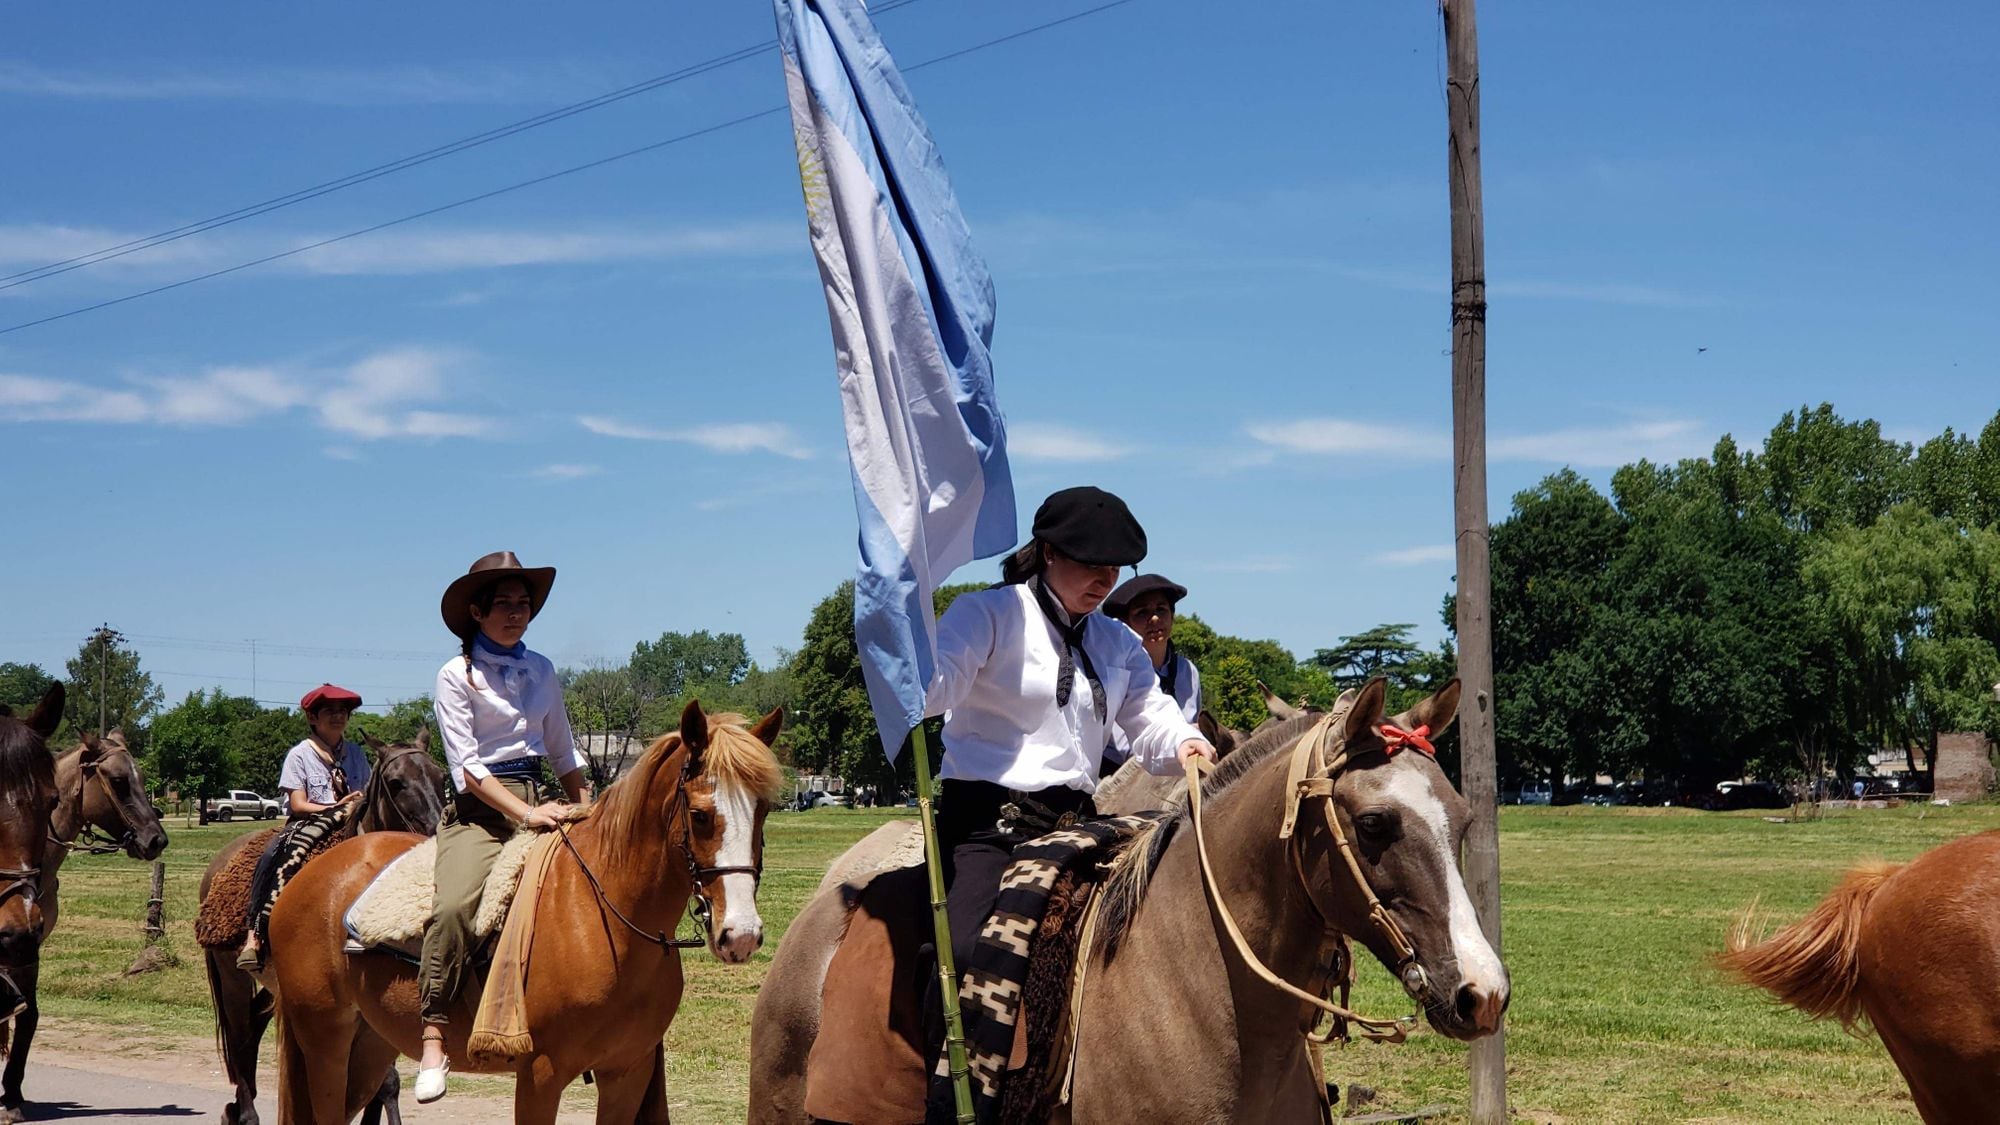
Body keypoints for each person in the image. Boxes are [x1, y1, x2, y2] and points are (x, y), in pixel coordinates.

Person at [923, 486, 1214, 1122]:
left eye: (1114, 568)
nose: (1104, 579)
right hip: (987, 827)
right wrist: (907, 659)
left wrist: (1188, 744)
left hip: (1079, 825)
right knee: (969, 953)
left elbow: (1149, 715)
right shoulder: (987, 615)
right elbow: (934, 688)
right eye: (1090, 564)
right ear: (1048, 552)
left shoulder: (1115, 641)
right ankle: (941, 1093)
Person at [414, 551, 587, 1103]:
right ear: (477, 611)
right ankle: (435, 1032)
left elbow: (562, 751)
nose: (517, 613)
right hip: (481, 814)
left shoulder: (542, 670)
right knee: (454, 906)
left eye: (524, 604)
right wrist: (526, 815)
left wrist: (587, 807)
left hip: (542, 799)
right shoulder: (453, 675)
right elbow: (467, 769)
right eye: (505, 604)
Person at [236, 683, 371, 973]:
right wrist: (335, 808)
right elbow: (298, 804)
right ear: (312, 718)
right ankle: (255, 934)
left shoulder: (357, 753)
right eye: (329, 711)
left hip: (354, 821)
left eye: (343, 711)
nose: (338, 716)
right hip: (309, 822)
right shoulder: (300, 755)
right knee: (273, 855)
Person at [1101, 573, 1199, 771]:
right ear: (1124, 623)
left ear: (1172, 616)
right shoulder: (1114, 672)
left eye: (1161, 610)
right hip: (1115, 777)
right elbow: (1126, 748)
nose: (1154, 619)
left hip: (1177, 772)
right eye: (1142, 613)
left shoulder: (1188, 671)